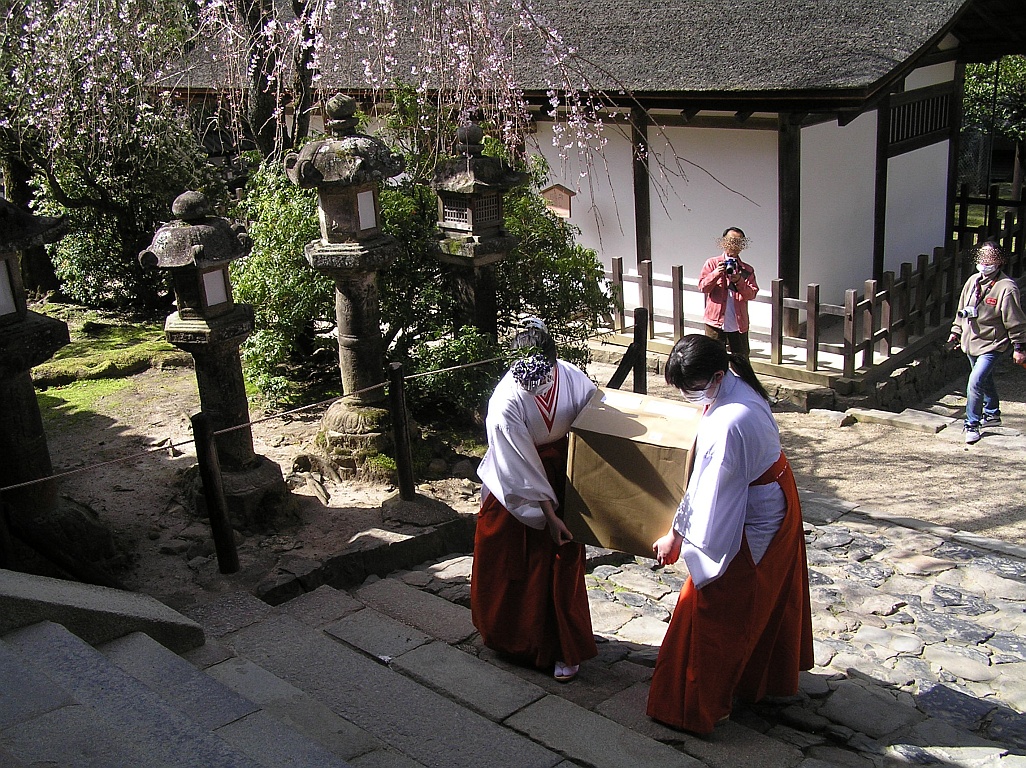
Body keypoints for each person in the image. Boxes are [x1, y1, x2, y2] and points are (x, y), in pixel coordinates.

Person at [646, 334, 813, 735]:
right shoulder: (735, 387)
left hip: (757, 513)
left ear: (717, 376)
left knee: (717, 605)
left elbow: (711, 496)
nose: (688, 395)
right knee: (754, 601)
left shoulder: (731, 421)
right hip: (770, 492)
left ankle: (700, 704)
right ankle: (748, 680)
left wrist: (678, 536)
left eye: (691, 386)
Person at [471, 318, 598, 682]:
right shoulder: (505, 400)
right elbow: (517, 463)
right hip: (516, 485)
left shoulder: (572, 377)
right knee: (510, 559)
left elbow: (595, 418)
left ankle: (563, 646)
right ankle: (511, 637)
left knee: (562, 564)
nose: (536, 380)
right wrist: (548, 513)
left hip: (564, 475)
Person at [947, 241, 1026, 446]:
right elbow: (961, 309)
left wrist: (1019, 347)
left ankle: (972, 424)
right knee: (984, 378)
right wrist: (956, 331)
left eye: (989, 257)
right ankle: (992, 413)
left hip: (993, 344)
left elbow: (1015, 320)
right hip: (970, 341)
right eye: (981, 257)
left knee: (975, 381)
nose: (984, 262)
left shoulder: (1006, 288)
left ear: (999, 261)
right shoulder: (972, 281)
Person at [698, 227, 759, 359]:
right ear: (723, 242)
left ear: (742, 246)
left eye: (738, 242)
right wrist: (716, 273)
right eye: (730, 241)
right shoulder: (712, 263)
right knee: (713, 359)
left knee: (741, 359)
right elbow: (703, 287)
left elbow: (752, 294)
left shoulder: (747, 270)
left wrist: (739, 281)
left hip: (738, 323)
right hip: (715, 322)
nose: (734, 246)